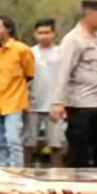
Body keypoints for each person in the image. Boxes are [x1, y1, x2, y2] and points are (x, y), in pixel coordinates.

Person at [51, 0, 97, 168]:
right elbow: (63, 71)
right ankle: (77, 188)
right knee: (80, 151)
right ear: (91, 14)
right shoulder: (73, 39)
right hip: (82, 104)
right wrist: (58, 102)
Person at [0, 15, 34, 168]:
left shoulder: (22, 50)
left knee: (13, 140)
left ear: (8, 29)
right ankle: (1, 171)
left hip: (14, 100)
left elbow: (29, 74)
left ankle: (16, 173)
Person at [25, 18, 66, 167]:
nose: (43, 36)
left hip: (54, 104)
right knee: (29, 143)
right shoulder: (29, 53)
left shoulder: (61, 53)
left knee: (56, 144)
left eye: (47, 32)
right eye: (40, 33)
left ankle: (57, 176)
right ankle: (26, 174)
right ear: (35, 34)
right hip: (33, 104)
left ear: (54, 33)